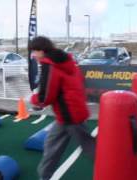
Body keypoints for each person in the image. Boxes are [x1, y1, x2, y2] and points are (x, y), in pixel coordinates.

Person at [28, 36, 95, 180]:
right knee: (52, 145)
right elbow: (78, 83)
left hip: (69, 115)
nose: (33, 55)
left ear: (42, 50)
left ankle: (114, 168)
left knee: (89, 148)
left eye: (34, 51)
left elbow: (45, 97)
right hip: (72, 112)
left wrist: (33, 99)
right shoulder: (66, 61)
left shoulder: (49, 65)